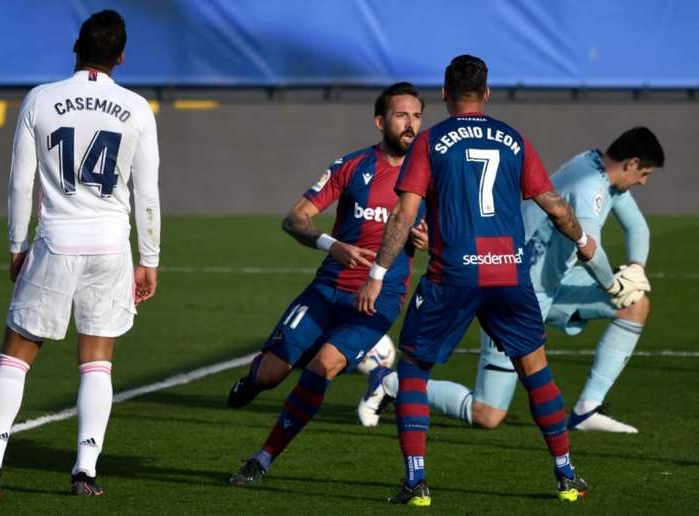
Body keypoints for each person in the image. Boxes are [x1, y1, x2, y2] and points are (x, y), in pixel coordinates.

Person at [356, 55, 598, 506]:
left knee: (412, 368)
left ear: (444, 95)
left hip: (454, 274)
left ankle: (416, 482)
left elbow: (404, 215)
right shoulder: (514, 139)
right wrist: (583, 240)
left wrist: (376, 274)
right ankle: (566, 476)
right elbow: (555, 205)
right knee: (535, 368)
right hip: (509, 271)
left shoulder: (430, 141)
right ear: (486, 94)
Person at [0, 10, 160, 497]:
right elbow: (147, 193)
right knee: (97, 361)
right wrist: (150, 258)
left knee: (15, 355)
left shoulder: (41, 99)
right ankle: (85, 472)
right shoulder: (137, 108)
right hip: (109, 245)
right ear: (121, 57)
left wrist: (17, 246)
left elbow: (21, 182)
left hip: (57, 240)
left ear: (76, 47)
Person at [361, 127, 664, 434]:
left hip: (552, 286)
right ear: (631, 163)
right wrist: (613, 285)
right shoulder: (590, 187)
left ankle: (587, 410)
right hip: (512, 291)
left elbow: (638, 228)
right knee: (487, 414)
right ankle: (389, 382)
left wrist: (636, 268)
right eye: (645, 174)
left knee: (634, 305)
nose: (644, 182)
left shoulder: (600, 172)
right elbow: (587, 247)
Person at [227, 82, 427, 486]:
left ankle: (262, 459)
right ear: (380, 121)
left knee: (326, 365)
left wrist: (428, 240)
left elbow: (447, 236)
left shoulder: (430, 178)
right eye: (401, 115)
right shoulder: (352, 167)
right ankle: (252, 380)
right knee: (268, 376)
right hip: (329, 286)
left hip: (379, 297)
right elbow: (295, 218)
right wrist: (330, 244)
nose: (411, 124)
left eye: (417, 116)